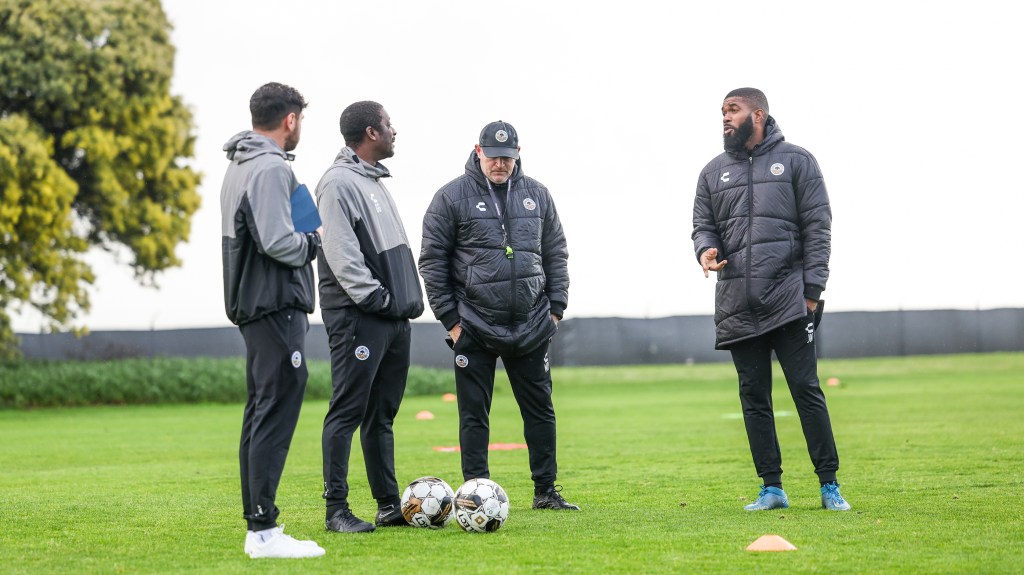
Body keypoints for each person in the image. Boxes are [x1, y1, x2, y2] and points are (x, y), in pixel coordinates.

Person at [691, 87, 851, 512]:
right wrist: (705, 250)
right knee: (754, 397)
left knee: (805, 389)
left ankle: (829, 485)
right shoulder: (711, 173)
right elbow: (702, 226)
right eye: (722, 111)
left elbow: (819, 227)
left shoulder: (798, 161)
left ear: (757, 114)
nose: (725, 117)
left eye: (733, 110)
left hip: (789, 300)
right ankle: (772, 488)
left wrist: (812, 292)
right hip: (737, 304)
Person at [419, 120, 579, 511]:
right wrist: (451, 321)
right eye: (493, 157)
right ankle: (476, 493)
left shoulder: (537, 195)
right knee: (474, 415)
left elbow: (555, 251)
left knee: (540, 410)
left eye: (507, 158)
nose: (500, 165)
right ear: (478, 151)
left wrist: (555, 310)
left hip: (531, 324)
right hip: (473, 324)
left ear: (517, 155)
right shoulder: (450, 197)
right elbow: (432, 261)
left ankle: (546, 491)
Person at [220, 82, 326, 558]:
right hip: (276, 305)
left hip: (259, 307)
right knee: (275, 407)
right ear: (290, 120)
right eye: (300, 119)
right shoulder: (266, 169)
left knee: (262, 409)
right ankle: (263, 532)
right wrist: (313, 244)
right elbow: (278, 241)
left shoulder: (241, 165)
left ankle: (258, 526)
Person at [316, 101, 425, 533]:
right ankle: (335, 511)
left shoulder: (375, 181)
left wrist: (399, 305)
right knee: (346, 411)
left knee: (381, 415)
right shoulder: (338, 183)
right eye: (388, 124)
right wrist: (378, 300)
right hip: (362, 317)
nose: (395, 130)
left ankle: (386, 504)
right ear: (371, 132)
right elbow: (340, 254)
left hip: (393, 318)